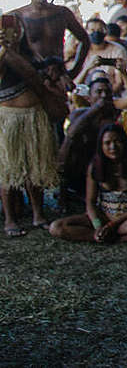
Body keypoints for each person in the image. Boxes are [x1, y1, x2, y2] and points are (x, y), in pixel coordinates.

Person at [0, 14, 62, 235]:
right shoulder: (3, 54)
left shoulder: (28, 54)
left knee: (34, 168)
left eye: (17, 30)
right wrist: (5, 50)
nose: (13, 33)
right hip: (9, 118)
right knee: (8, 170)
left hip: (35, 115)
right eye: (9, 30)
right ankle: (10, 220)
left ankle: (38, 214)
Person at [49, 124, 127, 243]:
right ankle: (115, 237)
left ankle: (108, 234)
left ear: (125, 143)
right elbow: (90, 202)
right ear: (101, 146)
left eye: (117, 142)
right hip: (103, 216)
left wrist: (112, 225)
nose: (113, 147)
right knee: (56, 227)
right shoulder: (94, 166)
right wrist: (98, 225)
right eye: (107, 143)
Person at [11, 0, 90, 79]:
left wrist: (75, 70)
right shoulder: (17, 16)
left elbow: (85, 40)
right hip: (29, 79)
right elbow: (6, 50)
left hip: (58, 76)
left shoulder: (62, 13)